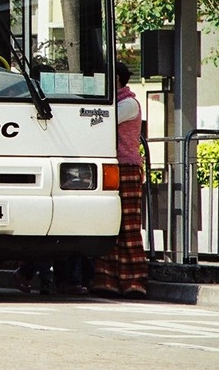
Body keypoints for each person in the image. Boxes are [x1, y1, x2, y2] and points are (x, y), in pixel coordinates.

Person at [91, 61, 148, 298]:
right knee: (109, 224)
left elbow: (101, 121)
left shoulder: (127, 104)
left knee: (129, 226)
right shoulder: (117, 102)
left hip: (127, 167)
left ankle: (135, 280)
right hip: (112, 166)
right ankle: (109, 280)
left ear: (115, 79)